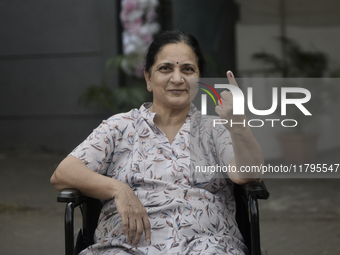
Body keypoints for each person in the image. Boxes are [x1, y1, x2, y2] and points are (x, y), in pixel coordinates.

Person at [51, 30, 263, 255]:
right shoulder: (120, 126)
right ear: (148, 78)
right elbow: (63, 173)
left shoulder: (215, 128)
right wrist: (118, 188)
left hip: (207, 243)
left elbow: (248, 174)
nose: (178, 78)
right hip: (125, 246)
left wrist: (239, 123)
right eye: (166, 68)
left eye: (188, 69)